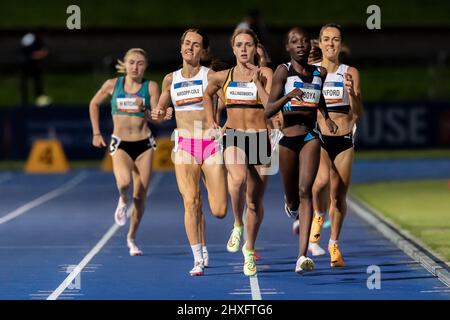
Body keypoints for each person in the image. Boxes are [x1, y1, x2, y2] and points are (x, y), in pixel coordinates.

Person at [151, 29, 227, 276]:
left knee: (219, 210)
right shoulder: (170, 80)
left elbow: (232, 103)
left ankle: (203, 238)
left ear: (203, 51)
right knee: (191, 201)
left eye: (195, 45)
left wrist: (222, 127)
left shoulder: (212, 76)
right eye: (186, 43)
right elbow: (159, 113)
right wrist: (160, 114)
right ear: (180, 47)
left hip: (210, 143)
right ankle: (197, 257)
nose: (190, 48)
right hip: (185, 144)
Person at [265, 27, 338, 273]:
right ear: (288, 47)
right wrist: (288, 98)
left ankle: (301, 256)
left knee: (306, 189)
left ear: (310, 46)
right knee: (294, 197)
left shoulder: (320, 72)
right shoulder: (282, 72)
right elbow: (267, 110)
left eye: (305, 41)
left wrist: (326, 118)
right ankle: (290, 204)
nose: (300, 45)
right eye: (294, 42)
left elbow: (319, 99)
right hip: (287, 139)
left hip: (310, 136)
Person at [204, 28, 273, 276]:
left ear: (256, 48)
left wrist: (257, 83)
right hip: (234, 135)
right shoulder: (223, 76)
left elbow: (271, 107)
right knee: (237, 178)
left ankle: (249, 250)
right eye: (239, 45)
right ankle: (237, 223)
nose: (244, 49)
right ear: (233, 49)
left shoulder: (266, 73)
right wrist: (211, 120)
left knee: (254, 201)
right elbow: (207, 93)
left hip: (259, 138)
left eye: (248, 45)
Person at [89, 48, 159, 256]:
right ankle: (122, 198)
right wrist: (96, 133)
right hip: (120, 143)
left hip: (145, 144)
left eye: (139, 63)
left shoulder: (151, 86)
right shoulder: (113, 85)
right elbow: (93, 103)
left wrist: (145, 109)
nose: (135, 67)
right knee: (124, 183)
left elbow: (157, 117)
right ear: (125, 65)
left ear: (145, 66)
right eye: (131, 63)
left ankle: (131, 237)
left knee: (140, 196)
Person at [308, 24, 363, 267]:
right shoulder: (311, 73)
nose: (331, 44)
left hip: (344, 138)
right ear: (319, 43)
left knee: (338, 195)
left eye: (336, 39)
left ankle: (334, 244)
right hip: (319, 136)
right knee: (319, 182)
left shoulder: (350, 72)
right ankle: (318, 216)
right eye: (327, 39)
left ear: (341, 44)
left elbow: (358, 113)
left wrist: (353, 95)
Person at [19, 27, 52, 107]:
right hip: (26, 64)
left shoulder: (38, 40)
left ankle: (39, 101)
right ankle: (25, 103)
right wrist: (41, 54)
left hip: (34, 65)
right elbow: (30, 54)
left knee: (38, 84)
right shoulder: (30, 38)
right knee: (25, 84)